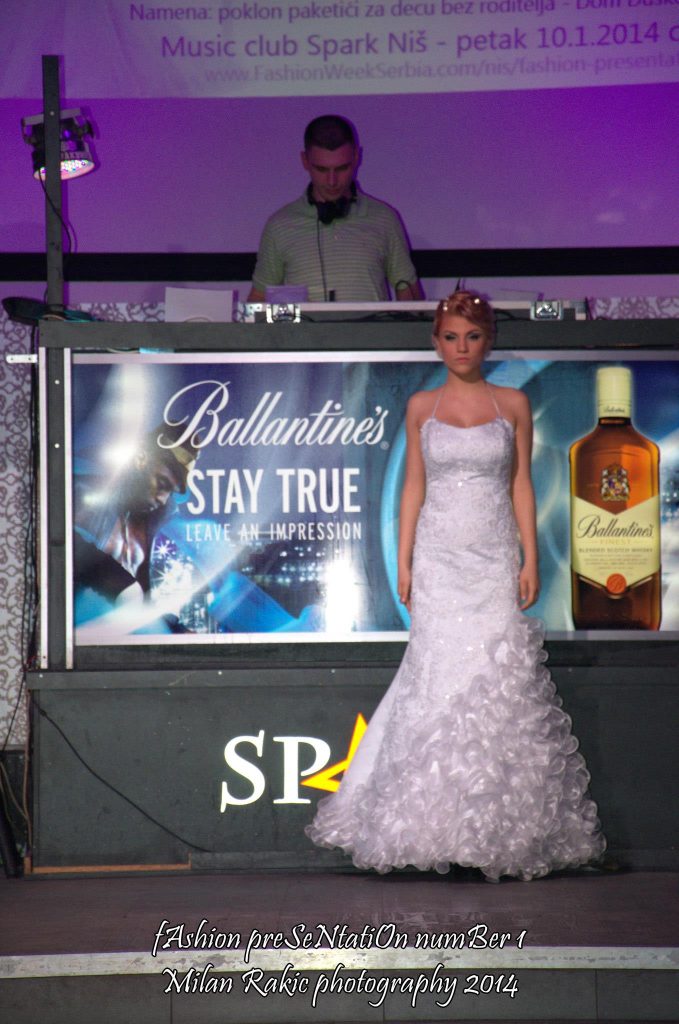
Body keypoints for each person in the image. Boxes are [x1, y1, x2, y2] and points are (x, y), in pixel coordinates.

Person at [306, 290, 606, 882]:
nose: (461, 347)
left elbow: (521, 484)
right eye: (450, 337)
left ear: (488, 340)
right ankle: (426, 827)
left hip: (492, 559)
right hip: (439, 560)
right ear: (436, 342)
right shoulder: (422, 406)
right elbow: (413, 487)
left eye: (472, 336)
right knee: (434, 673)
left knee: (497, 675)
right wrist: (404, 562)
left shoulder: (512, 403)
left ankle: (495, 828)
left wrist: (529, 558)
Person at [247, 115, 422, 304]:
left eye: (342, 168)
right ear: (305, 161)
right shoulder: (280, 225)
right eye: (321, 169)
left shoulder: (384, 218)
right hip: (304, 326)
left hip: (372, 326)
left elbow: (409, 293)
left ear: (356, 157)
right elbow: (259, 298)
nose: (332, 181)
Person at [73, 424, 198, 605]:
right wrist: (118, 582)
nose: (163, 500)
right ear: (141, 459)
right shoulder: (84, 492)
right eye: (162, 483)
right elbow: (63, 544)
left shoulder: (158, 523)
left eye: (170, 491)